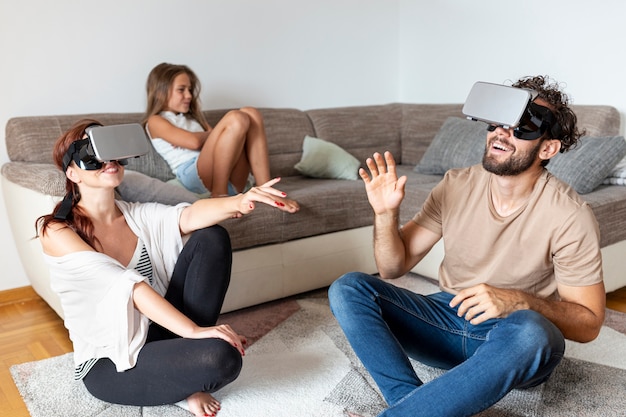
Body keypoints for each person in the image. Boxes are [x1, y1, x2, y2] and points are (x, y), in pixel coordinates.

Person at [328, 75, 606, 417]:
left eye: (524, 126)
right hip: (447, 319)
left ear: (547, 148)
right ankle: (414, 406)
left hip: (512, 338)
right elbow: (392, 267)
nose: (502, 133)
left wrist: (518, 301)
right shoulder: (456, 184)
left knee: (534, 333)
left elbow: (590, 323)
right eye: (499, 122)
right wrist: (386, 215)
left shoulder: (569, 214)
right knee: (349, 288)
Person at [36, 119, 299, 417]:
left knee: (210, 237)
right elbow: (129, 287)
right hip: (110, 362)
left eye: (111, 150)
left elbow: (188, 215)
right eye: (94, 151)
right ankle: (181, 386)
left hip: (157, 334)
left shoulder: (135, 215)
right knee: (221, 358)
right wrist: (196, 332)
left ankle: (178, 372)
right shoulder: (57, 231)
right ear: (72, 172)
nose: (108, 160)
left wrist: (243, 199)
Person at [143, 62, 297, 211]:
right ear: (160, 92)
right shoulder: (156, 120)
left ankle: (266, 188)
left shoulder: (195, 118)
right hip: (193, 175)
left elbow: (213, 139)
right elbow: (195, 142)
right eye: (181, 90)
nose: (189, 95)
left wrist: (204, 136)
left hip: (227, 173)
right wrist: (203, 136)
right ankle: (219, 193)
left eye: (190, 89)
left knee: (251, 113)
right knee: (237, 118)